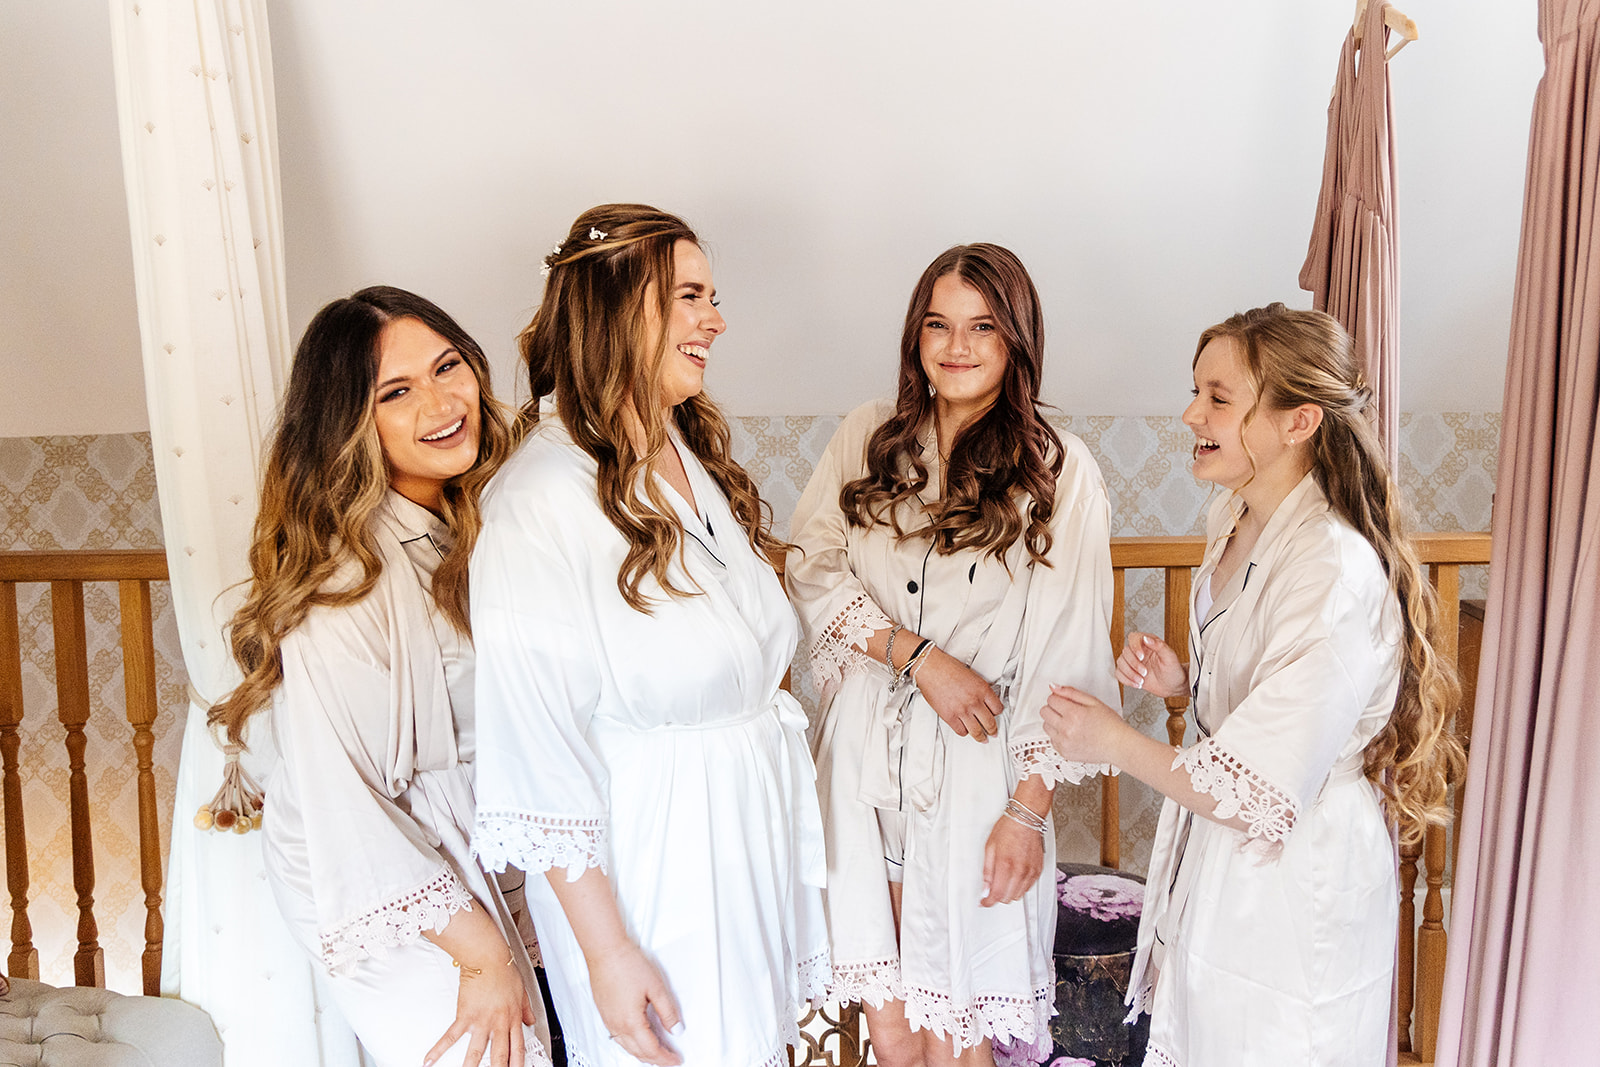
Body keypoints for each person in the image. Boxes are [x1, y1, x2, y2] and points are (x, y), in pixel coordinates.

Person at [1041, 304, 1464, 1066]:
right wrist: (1187, 685)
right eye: (1194, 391)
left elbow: (1264, 784)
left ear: (1298, 421)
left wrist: (1115, 741)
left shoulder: (1331, 567)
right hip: (1222, 862)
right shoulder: (1232, 517)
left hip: (1297, 874)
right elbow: (1261, 699)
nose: (1190, 412)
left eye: (1218, 397)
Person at [469, 204, 829, 1067]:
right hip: (651, 859)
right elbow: (540, 751)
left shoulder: (680, 450)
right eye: (691, 297)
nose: (718, 319)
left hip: (737, 833)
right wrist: (605, 951)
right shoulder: (537, 497)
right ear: (620, 307)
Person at [786, 243, 1119, 1066]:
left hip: (979, 765)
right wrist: (917, 656)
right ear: (915, 336)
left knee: (957, 1017)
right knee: (892, 1021)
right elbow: (813, 563)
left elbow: (1067, 653)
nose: (957, 346)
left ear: (1017, 340)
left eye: (982, 327)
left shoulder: (1060, 469)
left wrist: (1028, 811)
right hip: (865, 751)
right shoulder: (869, 435)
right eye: (938, 324)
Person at [210, 286, 551, 1067]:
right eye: (396, 392)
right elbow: (348, 802)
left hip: (472, 842)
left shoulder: (470, 521)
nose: (440, 401)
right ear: (350, 422)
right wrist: (479, 954)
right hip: (381, 874)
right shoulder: (345, 578)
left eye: (448, 366)